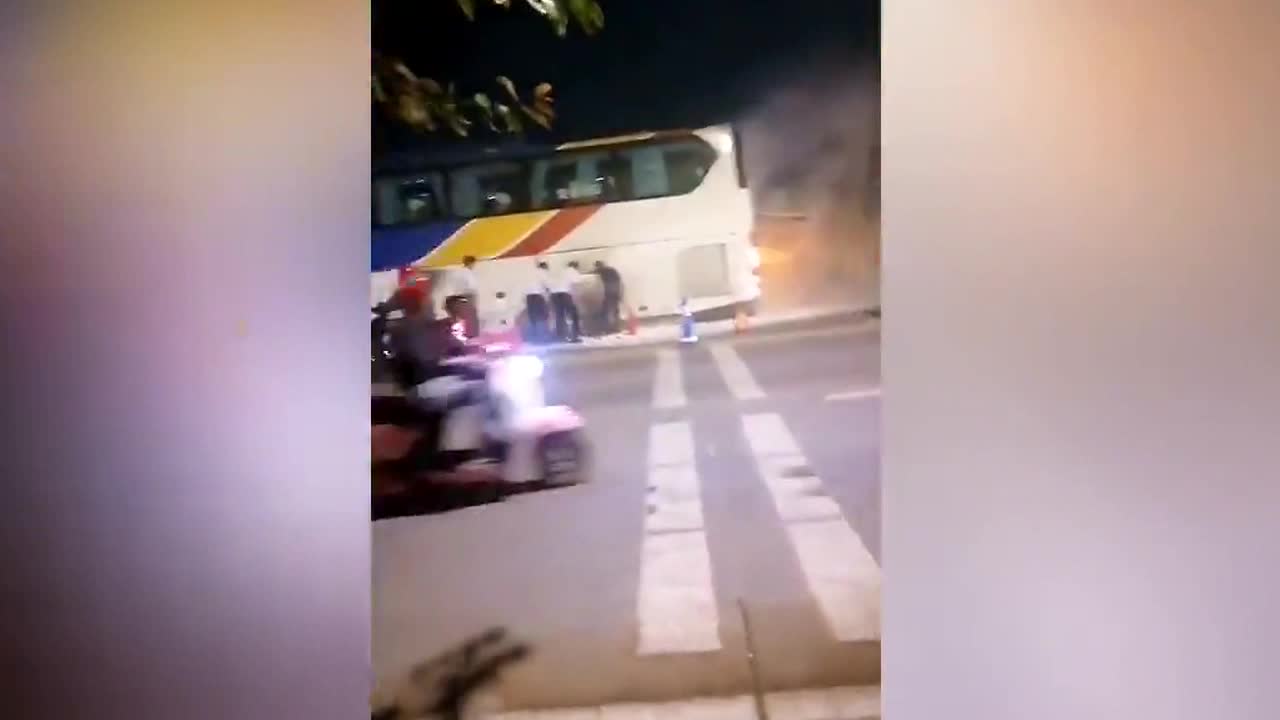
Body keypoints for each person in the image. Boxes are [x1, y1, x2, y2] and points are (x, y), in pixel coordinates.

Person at [443, 256, 480, 338]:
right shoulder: (468, 273)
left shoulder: (457, 272)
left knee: (457, 319)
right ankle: (469, 335)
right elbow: (471, 287)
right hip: (466, 296)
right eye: (473, 264)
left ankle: (456, 334)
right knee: (470, 318)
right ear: (471, 263)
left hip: (454, 298)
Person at [549, 261, 583, 343]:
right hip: (564, 294)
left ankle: (560, 337)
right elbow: (578, 281)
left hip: (554, 295)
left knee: (559, 316)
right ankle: (573, 337)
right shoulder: (572, 270)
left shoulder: (561, 271)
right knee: (572, 315)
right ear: (575, 267)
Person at [594, 259, 624, 334]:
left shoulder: (599, 271)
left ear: (598, 266)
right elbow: (619, 280)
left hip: (607, 293)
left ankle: (606, 329)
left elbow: (590, 275)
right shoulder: (612, 270)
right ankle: (616, 328)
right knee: (615, 311)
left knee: (605, 311)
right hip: (615, 292)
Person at [524, 263, 552, 343]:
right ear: (545, 267)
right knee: (541, 317)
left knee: (533, 318)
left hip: (529, 297)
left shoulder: (530, 273)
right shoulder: (542, 272)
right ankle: (542, 338)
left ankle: (533, 338)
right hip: (537, 296)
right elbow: (548, 285)